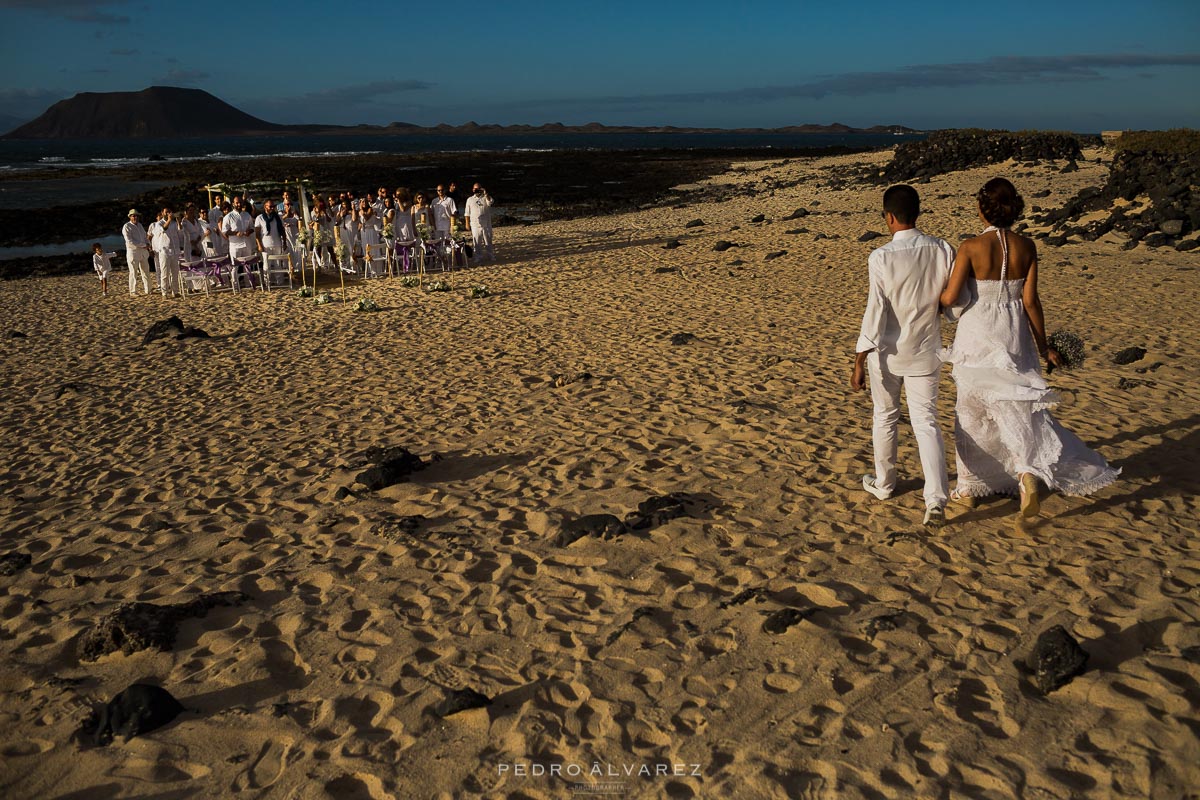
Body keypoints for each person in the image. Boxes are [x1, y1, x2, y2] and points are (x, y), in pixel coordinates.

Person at [938, 178, 1119, 517]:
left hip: (977, 333)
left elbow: (950, 296)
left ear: (982, 208)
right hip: (1014, 332)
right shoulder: (1028, 246)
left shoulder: (971, 247)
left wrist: (932, 306)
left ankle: (968, 488)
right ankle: (1025, 474)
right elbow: (1031, 301)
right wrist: (1043, 345)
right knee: (1016, 409)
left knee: (971, 412)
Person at [851, 184, 956, 528]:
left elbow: (876, 309)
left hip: (887, 353)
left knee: (885, 417)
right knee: (926, 423)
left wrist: (858, 357)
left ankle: (885, 484)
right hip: (927, 350)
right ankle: (936, 499)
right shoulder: (942, 249)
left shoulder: (880, 256)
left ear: (889, 217)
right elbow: (953, 304)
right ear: (918, 213)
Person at [148, 206, 183, 297]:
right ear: (162, 213)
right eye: (166, 212)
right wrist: (168, 220)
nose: (168, 214)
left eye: (169, 212)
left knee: (175, 273)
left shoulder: (174, 223)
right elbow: (163, 229)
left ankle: (175, 291)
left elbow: (180, 232)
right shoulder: (158, 224)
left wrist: (178, 221)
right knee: (165, 273)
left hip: (174, 251)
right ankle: (164, 292)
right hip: (164, 251)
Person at [221, 197, 256, 284]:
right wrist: (235, 233)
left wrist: (249, 231)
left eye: (240, 202)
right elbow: (225, 231)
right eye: (237, 203)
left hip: (246, 243)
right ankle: (235, 284)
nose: (239, 205)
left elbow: (252, 227)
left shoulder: (247, 215)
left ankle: (249, 283)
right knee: (235, 266)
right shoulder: (228, 216)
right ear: (233, 204)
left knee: (247, 265)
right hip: (235, 245)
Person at [122, 209, 152, 295]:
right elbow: (129, 241)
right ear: (130, 217)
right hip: (133, 253)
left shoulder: (140, 225)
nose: (135, 217)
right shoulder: (126, 226)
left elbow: (145, 236)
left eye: (136, 216)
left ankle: (148, 289)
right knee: (133, 272)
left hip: (142, 252)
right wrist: (143, 245)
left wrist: (148, 243)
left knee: (146, 271)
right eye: (133, 216)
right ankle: (133, 291)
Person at [464, 183, 496, 264]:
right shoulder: (470, 199)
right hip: (475, 224)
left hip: (486, 224)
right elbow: (467, 213)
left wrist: (485, 193)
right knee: (477, 242)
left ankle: (490, 255)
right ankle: (478, 257)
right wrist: (467, 224)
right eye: (475, 189)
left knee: (488, 241)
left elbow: (490, 202)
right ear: (473, 189)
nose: (477, 190)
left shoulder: (485, 197)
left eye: (478, 188)